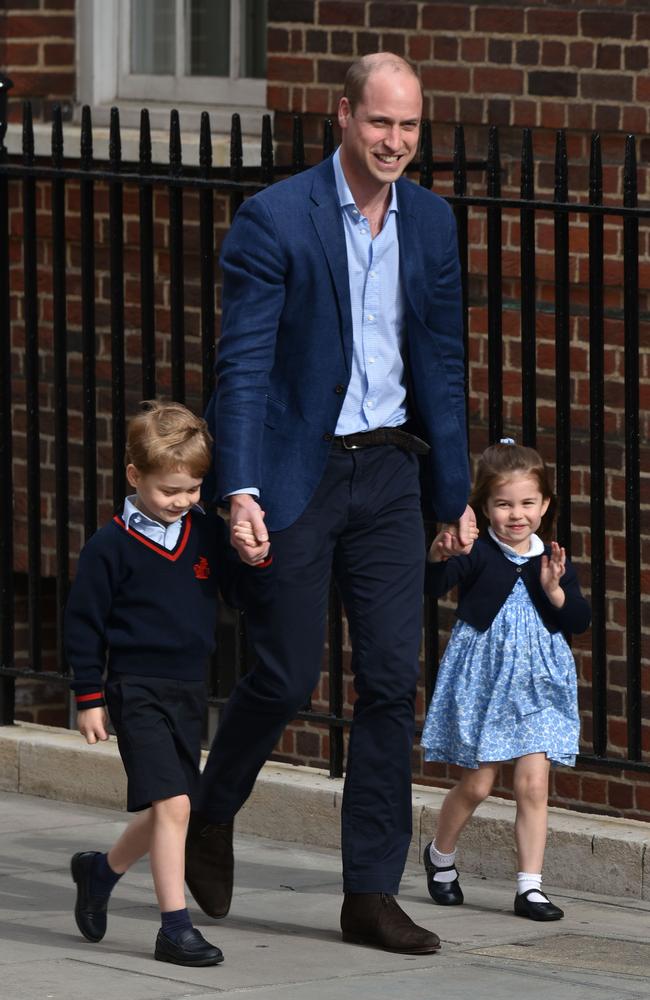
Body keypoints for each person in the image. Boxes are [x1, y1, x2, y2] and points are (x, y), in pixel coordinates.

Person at [187, 53, 475, 955]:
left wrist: (454, 495)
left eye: (410, 128)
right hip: (298, 472)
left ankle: (370, 894)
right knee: (282, 673)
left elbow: (444, 361)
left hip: (391, 472)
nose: (396, 143)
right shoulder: (275, 219)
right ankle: (211, 808)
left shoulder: (431, 223)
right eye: (381, 123)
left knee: (391, 681)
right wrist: (239, 489)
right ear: (343, 117)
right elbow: (242, 367)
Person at [65, 400, 273, 967]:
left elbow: (234, 589)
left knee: (167, 809)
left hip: (187, 690)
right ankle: (174, 928)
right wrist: (89, 698)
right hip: (136, 689)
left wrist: (252, 560)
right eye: (168, 490)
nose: (182, 500)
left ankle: (100, 871)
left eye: (193, 489)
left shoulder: (204, 531)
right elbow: (83, 626)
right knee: (177, 804)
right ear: (134, 477)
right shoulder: (109, 547)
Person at [421, 439, 591, 921]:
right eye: (503, 504)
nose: (516, 515)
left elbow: (579, 621)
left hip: (539, 684)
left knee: (533, 785)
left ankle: (530, 887)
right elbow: (434, 588)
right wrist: (436, 555)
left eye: (527, 503)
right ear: (484, 507)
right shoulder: (478, 553)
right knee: (476, 785)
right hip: (486, 681)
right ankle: (440, 856)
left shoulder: (551, 561)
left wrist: (556, 592)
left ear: (545, 505)